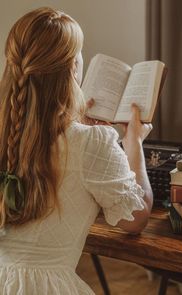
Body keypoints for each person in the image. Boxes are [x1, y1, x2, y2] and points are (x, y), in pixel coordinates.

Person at [0, 7, 153, 295]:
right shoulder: (91, 143)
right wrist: (134, 145)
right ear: (73, 68)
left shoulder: (5, 132)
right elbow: (135, 218)